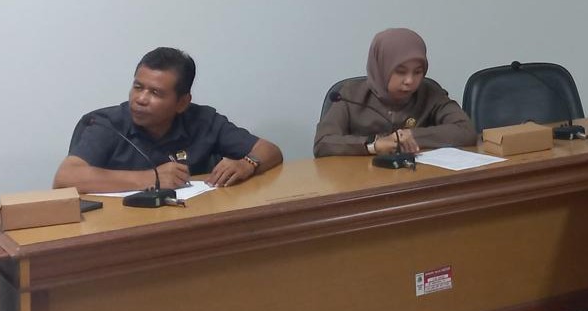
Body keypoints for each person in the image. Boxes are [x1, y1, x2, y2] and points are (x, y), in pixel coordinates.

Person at [54, 47, 283, 193]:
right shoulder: (107, 124)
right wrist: (151, 178)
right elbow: (65, 178)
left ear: (182, 102)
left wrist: (247, 164)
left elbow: (269, 150)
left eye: (155, 93)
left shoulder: (203, 121)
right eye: (138, 87)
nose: (140, 99)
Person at [314, 28, 476, 157]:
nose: (410, 80)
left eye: (418, 72)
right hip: (361, 180)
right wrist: (373, 145)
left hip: (417, 179)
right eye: (400, 71)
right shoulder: (350, 95)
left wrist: (408, 136)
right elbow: (323, 143)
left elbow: (466, 130)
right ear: (381, 67)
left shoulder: (430, 93)